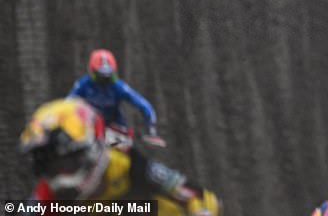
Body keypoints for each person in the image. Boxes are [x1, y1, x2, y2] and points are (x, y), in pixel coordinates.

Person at [20, 97, 220, 214]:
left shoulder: (125, 161)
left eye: (66, 163)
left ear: (92, 149)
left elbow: (197, 195)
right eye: (50, 167)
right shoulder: (47, 196)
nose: (60, 177)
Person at [67, 49, 159, 138]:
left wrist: (151, 128)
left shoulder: (118, 86)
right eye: (99, 76)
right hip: (88, 128)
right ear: (92, 71)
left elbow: (143, 104)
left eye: (108, 77)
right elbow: (67, 104)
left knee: (132, 149)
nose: (104, 81)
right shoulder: (83, 84)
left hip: (115, 129)